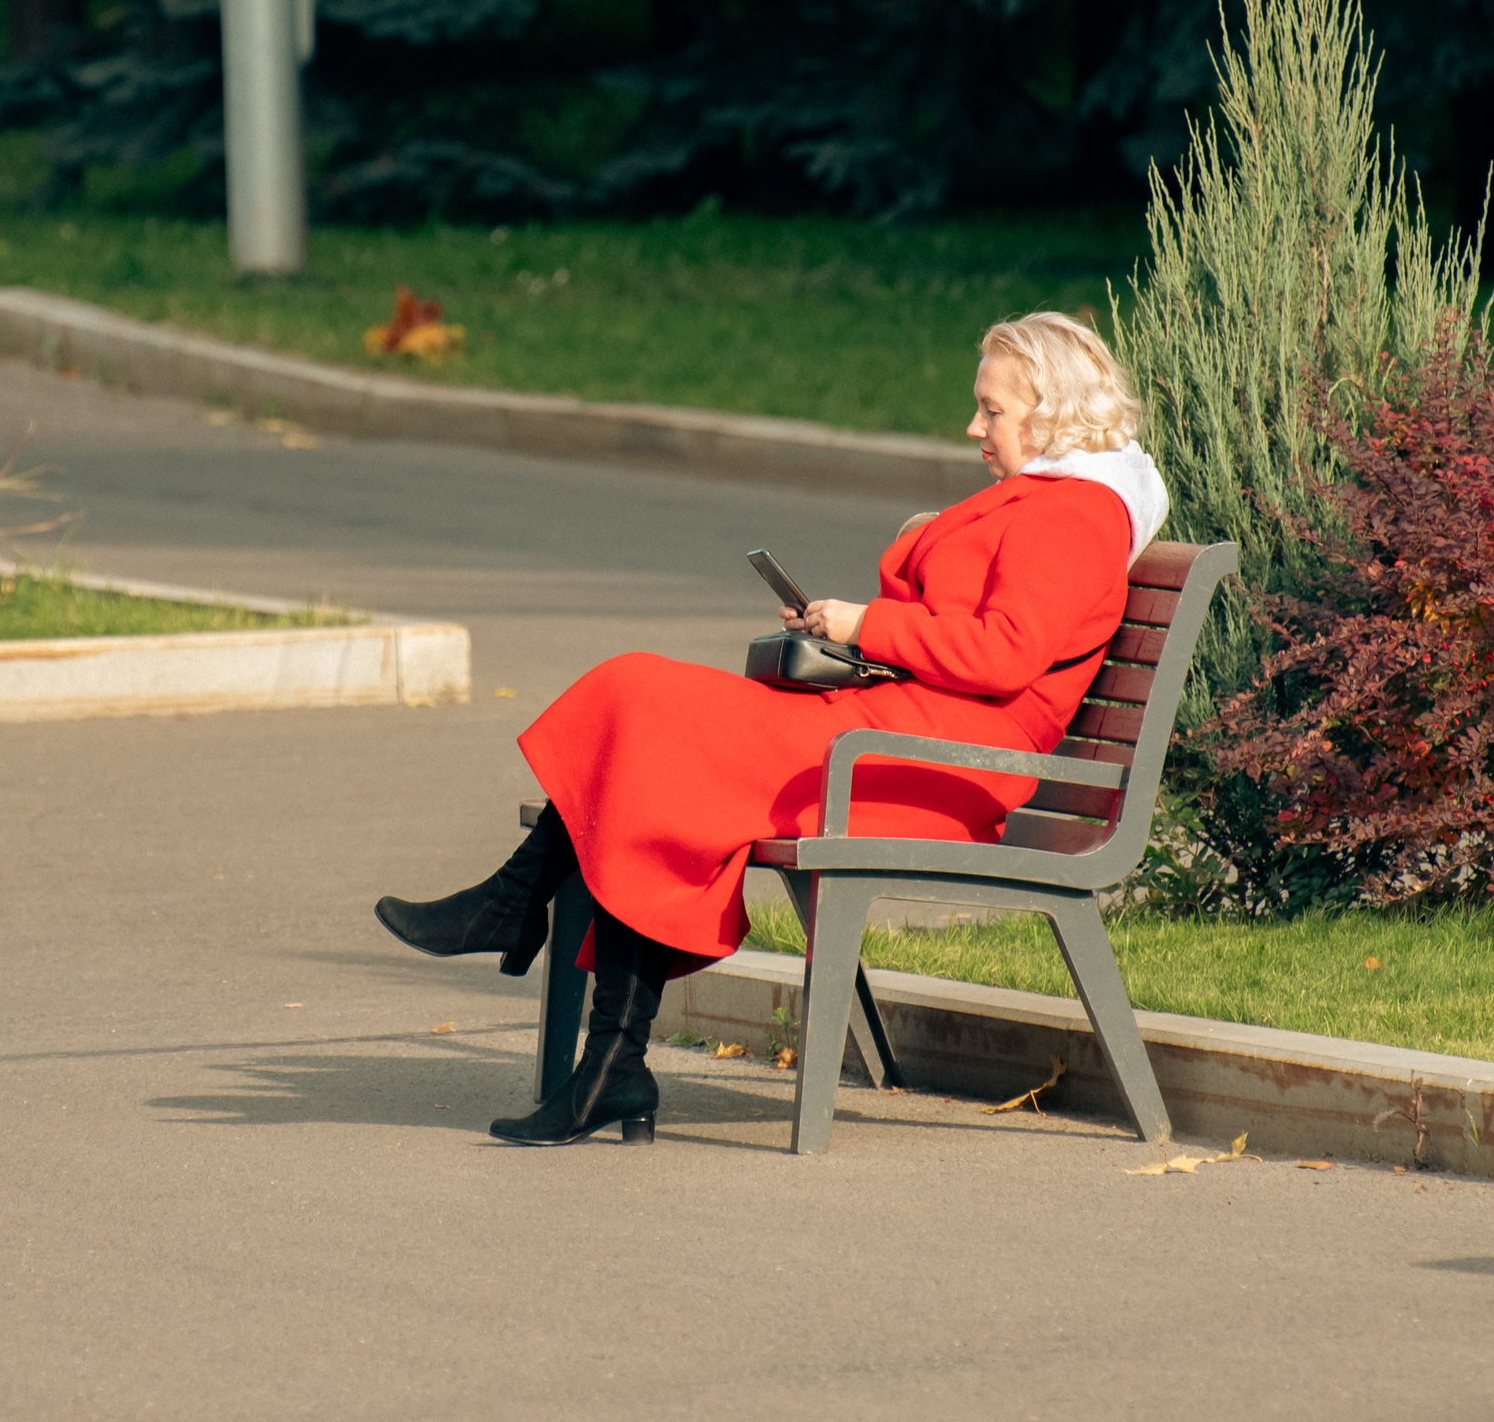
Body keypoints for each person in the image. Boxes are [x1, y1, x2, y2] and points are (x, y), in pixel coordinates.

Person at [375, 311, 1170, 1146]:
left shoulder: (1077, 514)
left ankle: (522, 925)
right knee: (640, 702)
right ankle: (597, 1040)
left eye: (992, 410)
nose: (974, 426)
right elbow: (966, 629)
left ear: (1051, 413)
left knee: (648, 712)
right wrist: (852, 627)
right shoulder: (1049, 499)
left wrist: (864, 626)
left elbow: (1005, 653)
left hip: (936, 767)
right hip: (895, 729)